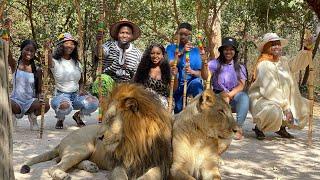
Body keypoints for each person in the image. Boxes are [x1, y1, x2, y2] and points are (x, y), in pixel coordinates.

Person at [249, 32, 313, 140]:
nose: (277, 46)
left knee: (303, 107)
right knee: (274, 111)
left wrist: (306, 49)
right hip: (263, 99)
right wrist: (286, 108)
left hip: (282, 101)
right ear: (266, 47)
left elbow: (297, 64)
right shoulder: (263, 64)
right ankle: (260, 127)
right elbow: (270, 90)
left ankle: (281, 127)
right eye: (273, 44)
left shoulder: (283, 61)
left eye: (278, 44)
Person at [49, 33, 99, 129]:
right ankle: (60, 118)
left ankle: (78, 116)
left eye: (72, 44)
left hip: (76, 95)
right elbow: (48, 60)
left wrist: (81, 89)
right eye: (67, 43)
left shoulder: (77, 63)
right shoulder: (55, 61)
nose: (70, 46)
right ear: (60, 45)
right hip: (61, 95)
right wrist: (47, 50)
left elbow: (80, 80)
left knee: (93, 102)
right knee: (64, 106)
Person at [203, 37, 249, 140]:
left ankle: (238, 127)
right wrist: (204, 64)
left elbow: (241, 85)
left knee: (244, 97)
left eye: (231, 49)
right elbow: (206, 77)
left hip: (233, 95)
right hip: (218, 96)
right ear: (222, 51)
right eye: (226, 49)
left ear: (235, 51)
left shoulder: (240, 66)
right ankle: (220, 128)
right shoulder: (215, 63)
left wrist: (229, 95)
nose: (228, 52)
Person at [8, 40, 50, 130]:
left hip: (30, 103)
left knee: (46, 104)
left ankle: (33, 116)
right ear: (21, 50)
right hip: (16, 102)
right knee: (3, 102)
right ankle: (12, 117)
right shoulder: (15, 65)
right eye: (27, 50)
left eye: (32, 51)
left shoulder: (37, 70)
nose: (29, 53)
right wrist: (5, 39)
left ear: (34, 53)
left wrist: (41, 97)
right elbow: (8, 56)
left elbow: (38, 91)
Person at [166, 22, 204, 113]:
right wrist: (182, 52)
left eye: (186, 35)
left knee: (198, 85)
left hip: (191, 82)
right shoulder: (171, 48)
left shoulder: (195, 51)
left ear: (190, 36)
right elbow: (170, 63)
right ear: (177, 34)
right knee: (179, 111)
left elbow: (199, 73)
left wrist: (192, 71)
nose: (183, 37)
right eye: (181, 34)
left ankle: (199, 114)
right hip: (176, 84)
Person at [95, 19, 142, 83]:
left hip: (127, 86)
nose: (124, 36)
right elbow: (99, 54)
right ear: (117, 35)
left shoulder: (137, 53)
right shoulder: (109, 46)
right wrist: (98, 42)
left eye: (128, 33)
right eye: (122, 33)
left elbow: (137, 74)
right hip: (108, 83)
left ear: (132, 36)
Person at [134, 44, 175, 108]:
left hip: (162, 103)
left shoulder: (167, 69)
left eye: (158, 53)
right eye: (152, 53)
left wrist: (175, 76)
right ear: (149, 55)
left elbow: (173, 89)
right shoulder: (143, 68)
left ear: (162, 55)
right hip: (144, 100)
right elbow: (136, 84)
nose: (155, 56)